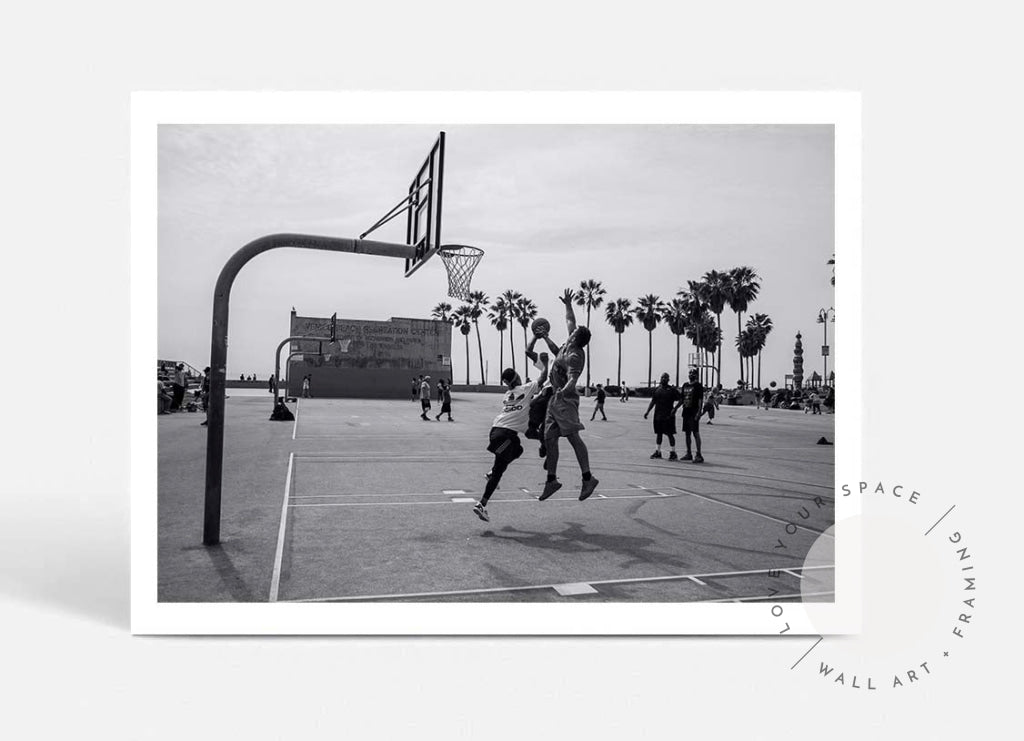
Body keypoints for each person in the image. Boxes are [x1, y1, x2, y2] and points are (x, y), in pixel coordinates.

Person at [474, 339, 551, 522]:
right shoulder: (525, 388)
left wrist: (541, 438)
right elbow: (542, 377)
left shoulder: (507, 395)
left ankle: (488, 486)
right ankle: (482, 503)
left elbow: (527, 430)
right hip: (505, 435)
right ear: (516, 377)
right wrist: (545, 364)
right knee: (501, 467)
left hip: (497, 431)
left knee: (517, 450)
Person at [539, 288, 599, 502]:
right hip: (555, 401)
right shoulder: (568, 345)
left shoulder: (575, 355)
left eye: (573, 331)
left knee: (573, 438)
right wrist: (567, 304)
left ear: (576, 338)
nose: (570, 330)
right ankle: (551, 480)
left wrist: (563, 393)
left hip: (565, 401)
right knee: (549, 439)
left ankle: (588, 478)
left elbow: (573, 380)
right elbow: (569, 320)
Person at [644, 373, 681, 459]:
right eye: (662, 377)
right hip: (658, 415)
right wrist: (647, 412)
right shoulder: (657, 390)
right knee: (659, 433)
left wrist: (675, 409)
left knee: (670, 434)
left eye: (665, 377)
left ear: (668, 379)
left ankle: (673, 452)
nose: (663, 379)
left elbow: (681, 399)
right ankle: (658, 451)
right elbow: (653, 402)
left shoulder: (672, 390)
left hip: (668, 416)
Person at [678, 368, 705, 462]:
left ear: (696, 375)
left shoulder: (698, 386)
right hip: (686, 412)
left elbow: (700, 400)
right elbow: (682, 399)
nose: (691, 375)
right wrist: (675, 408)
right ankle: (688, 453)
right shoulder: (685, 385)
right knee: (687, 433)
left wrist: (699, 412)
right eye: (690, 373)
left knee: (695, 433)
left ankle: (699, 454)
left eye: (693, 373)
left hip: (694, 412)